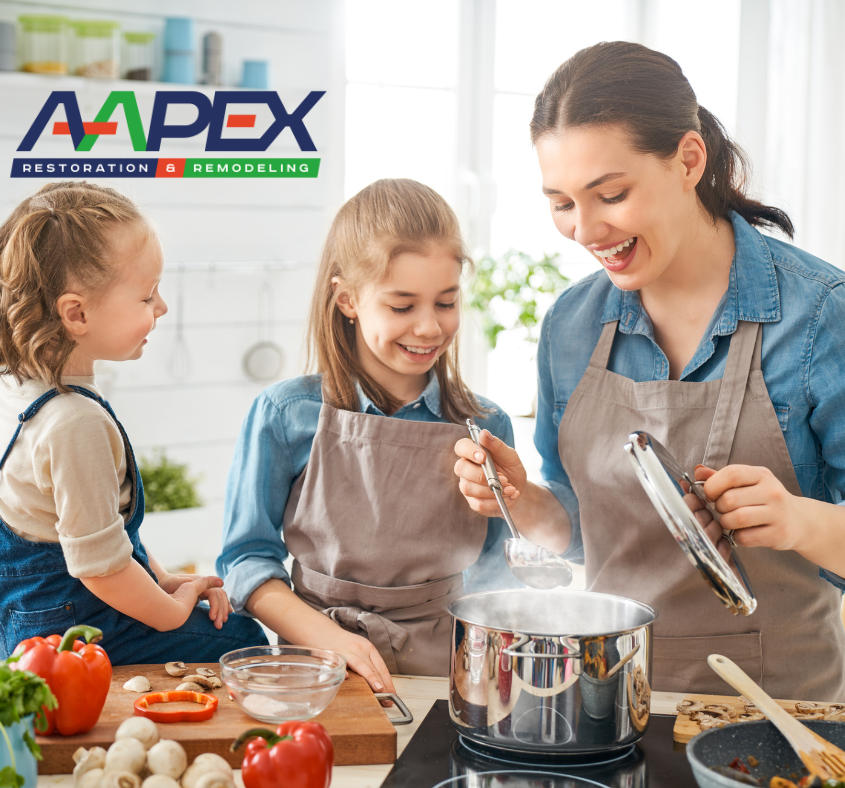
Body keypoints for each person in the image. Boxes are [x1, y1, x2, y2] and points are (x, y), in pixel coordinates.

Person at [454, 41, 845, 701]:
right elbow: (579, 527)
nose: (584, 229)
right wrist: (523, 502)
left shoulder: (817, 317)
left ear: (689, 159)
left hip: (774, 714)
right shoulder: (572, 327)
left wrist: (801, 522)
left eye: (610, 194)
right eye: (561, 203)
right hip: (608, 700)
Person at [218, 178, 518, 693]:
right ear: (348, 299)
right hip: (314, 663)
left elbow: (500, 572)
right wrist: (329, 639)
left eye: (445, 303)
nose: (428, 328)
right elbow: (246, 562)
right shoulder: (285, 413)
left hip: (449, 668)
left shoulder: (486, 425)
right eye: (402, 306)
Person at [0, 181, 267, 663]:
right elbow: (99, 569)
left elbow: (99, 531)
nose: (161, 308)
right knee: (245, 641)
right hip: (76, 639)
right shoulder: (73, 422)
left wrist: (162, 580)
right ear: (76, 314)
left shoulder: (15, 389)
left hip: (20, 629)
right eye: (146, 296)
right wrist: (172, 609)